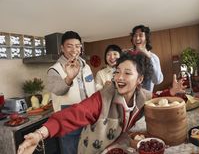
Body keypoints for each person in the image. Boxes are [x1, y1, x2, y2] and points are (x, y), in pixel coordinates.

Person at [17, 51, 186, 154]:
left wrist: (171, 92)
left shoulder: (142, 96)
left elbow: (156, 99)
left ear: (140, 79)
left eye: (127, 73)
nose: (119, 77)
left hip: (112, 147)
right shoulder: (103, 97)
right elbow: (72, 114)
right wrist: (40, 134)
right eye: (118, 71)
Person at [47, 31, 96, 154]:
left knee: (89, 149)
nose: (74, 49)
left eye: (77, 46)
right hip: (68, 118)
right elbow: (58, 90)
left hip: (89, 115)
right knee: (71, 150)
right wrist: (69, 78)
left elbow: (91, 88)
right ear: (62, 48)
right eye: (69, 46)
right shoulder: (54, 69)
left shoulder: (86, 67)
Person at [130, 24, 163, 92]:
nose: (137, 38)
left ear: (146, 38)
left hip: (146, 98)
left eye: (141, 35)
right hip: (127, 98)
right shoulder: (128, 56)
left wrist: (148, 56)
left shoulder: (153, 57)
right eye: (135, 35)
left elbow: (157, 80)